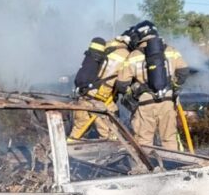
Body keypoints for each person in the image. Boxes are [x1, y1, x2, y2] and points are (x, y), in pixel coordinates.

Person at [117, 20, 190, 151]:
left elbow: (122, 83)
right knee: (169, 138)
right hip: (167, 102)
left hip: (145, 104)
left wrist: (132, 94)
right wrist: (174, 86)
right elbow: (184, 71)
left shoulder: (134, 55)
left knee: (143, 141)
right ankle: (173, 165)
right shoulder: (171, 50)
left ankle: (145, 169)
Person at [68, 34, 131, 141]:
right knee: (109, 133)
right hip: (101, 99)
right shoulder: (127, 55)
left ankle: (67, 150)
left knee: (78, 129)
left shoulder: (107, 45)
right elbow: (122, 83)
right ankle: (110, 153)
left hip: (84, 94)